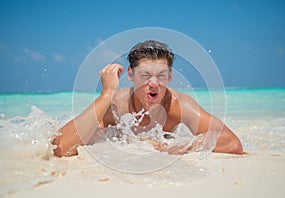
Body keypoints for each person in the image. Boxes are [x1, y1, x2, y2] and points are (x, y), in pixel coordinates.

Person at [52, 40, 243, 157]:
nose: (154, 83)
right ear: (131, 75)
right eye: (144, 75)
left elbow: (232, 144)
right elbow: (59, 147)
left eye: (161, 75)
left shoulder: (178, 106)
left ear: (169, 76)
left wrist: (167, 147)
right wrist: (107, 93)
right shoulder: (118, 106)